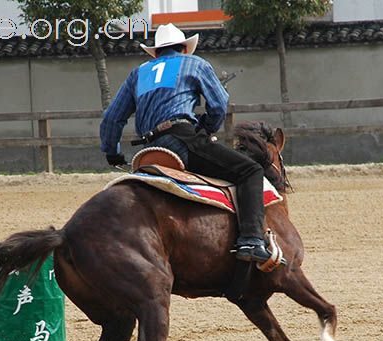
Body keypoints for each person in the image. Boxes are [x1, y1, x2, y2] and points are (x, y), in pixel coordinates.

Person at [99, 23, 272, 263]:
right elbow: (219, 104)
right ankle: (251, 241)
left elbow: (111, 117)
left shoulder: (138, 73)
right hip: (181, 138)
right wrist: (206, 128)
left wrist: (112, 152)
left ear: (156, 52)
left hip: (149, 150)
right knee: (250, 170)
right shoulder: (195, 63)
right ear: (183, 48)